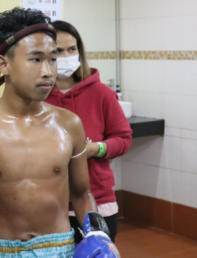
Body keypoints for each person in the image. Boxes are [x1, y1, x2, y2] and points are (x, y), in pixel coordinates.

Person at [0, 8, 120, 257]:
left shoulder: (69, 124)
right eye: (36, 59)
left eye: (52, 59)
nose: (48, 71)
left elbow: (82, 193)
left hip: (59, 249)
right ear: (3, 64)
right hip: (0, 250)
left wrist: (99, 235)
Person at [45, 20, 133, 243]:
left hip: (98, 201)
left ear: (80, 52)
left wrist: (97, 148)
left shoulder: (101, 93)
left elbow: (123, 139)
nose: (66, 56)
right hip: (49, 203)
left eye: (72, 49)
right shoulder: (37, 97)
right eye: (58, 51)